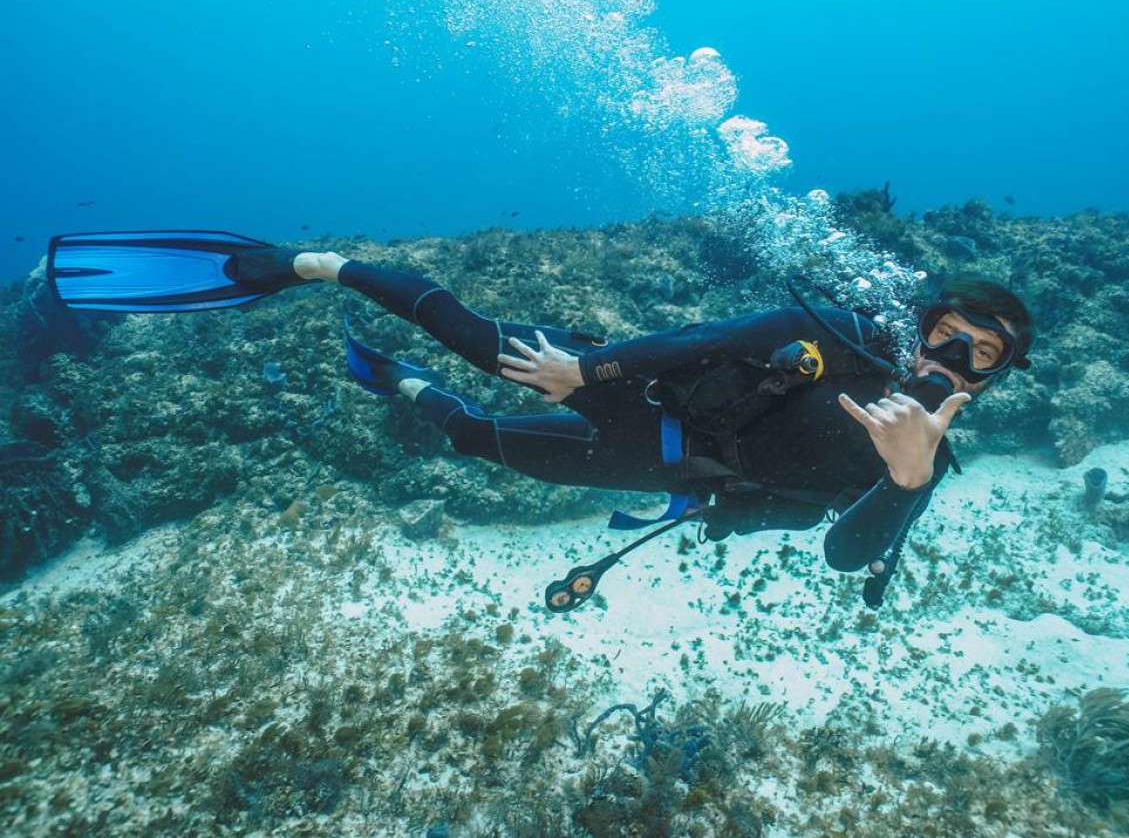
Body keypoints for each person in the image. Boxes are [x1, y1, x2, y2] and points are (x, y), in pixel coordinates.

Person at [45, 231, 1034, 608]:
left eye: (977, 358)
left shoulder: (926, 461)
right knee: (492, 346)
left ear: (992, 382)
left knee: (477, 438)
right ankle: (312, 264)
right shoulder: (843, 335)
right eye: (943, 335)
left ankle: (397, 386)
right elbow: (700, 340)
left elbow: (845, 558)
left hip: (667, 476)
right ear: (917, 325)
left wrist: (907, 477)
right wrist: (586, 367)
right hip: (644, 401)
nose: (947, 361)